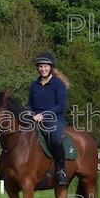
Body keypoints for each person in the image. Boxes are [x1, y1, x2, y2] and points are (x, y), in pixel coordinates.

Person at [25, 52, 69, 186]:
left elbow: (60, 106)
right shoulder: (34, 85)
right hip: (35, 118)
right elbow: (30, 103)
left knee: (55, 139)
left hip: (54, 118)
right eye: (40, 67)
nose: (43, 69)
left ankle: (61, 171)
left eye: (45, 66)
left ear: (50, 67)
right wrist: (29, 112)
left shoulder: (58, 84)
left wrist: (43, 115)